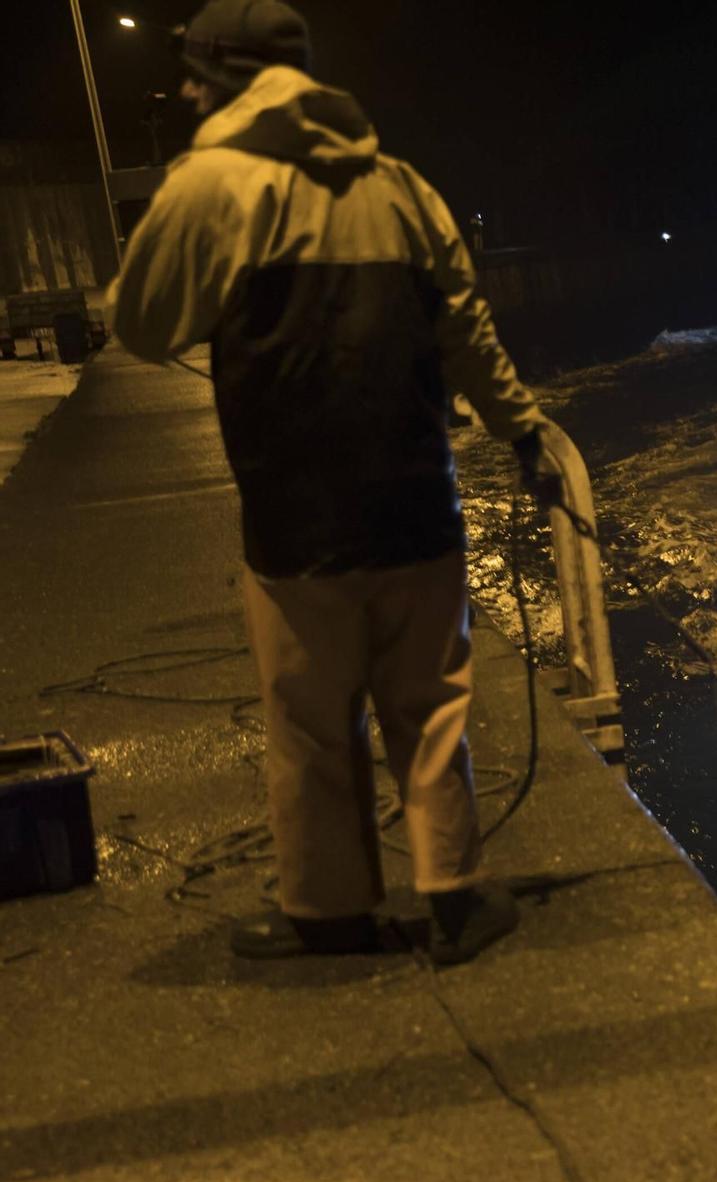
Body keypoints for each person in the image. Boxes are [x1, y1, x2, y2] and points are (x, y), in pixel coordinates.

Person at [112, 0, 564, 964]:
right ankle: (454, 899)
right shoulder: (401, 186)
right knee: (431, 706)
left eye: (196, 72)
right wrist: (524, 436)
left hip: (292, 519)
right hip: (416, 503)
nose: (187, 89)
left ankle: (329, 913)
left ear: (231, 78)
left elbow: (143, 326)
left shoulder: (211, 186)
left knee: (311, 724)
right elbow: (468, 334)